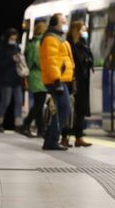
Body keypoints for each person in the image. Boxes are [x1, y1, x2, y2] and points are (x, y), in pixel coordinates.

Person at [40, 13, 74, 150]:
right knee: (63, 108)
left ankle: (51, 139)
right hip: (56, 81)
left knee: (61, 109)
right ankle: (52, 140)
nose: (65, 24)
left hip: (61, 79)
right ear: (55, 23)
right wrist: (56, 79)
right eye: (63, 21)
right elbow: (50, 61)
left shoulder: (59, 38)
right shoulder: (50, 38)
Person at [61, 21, 94, 147]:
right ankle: (65, 137)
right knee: (71, 110)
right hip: (73, 81)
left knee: (80, 110)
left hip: (83, 82)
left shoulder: (83, 45)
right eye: (82, 29)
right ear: (76, 30)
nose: (84, 32)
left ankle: (79, 137)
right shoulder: (69, 43)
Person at [0, 28, 24, 133]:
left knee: (19, 101)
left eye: (15, 39)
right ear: (7, 38)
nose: (13, 40)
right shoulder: (1, 47)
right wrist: (11, 59)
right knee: (5, 101)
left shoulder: (17, 47)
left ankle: (18, 125)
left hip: (17, 79)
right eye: (11, 38)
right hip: (5, 79)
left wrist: (20, 59)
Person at [21, 22, 48, 138]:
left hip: (34, 75)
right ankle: (27, 124)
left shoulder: (31, 42)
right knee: (39, 104)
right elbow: (38, 61)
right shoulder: (39, 43)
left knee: (38, 103)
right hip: (39, 76)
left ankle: (39, 129)